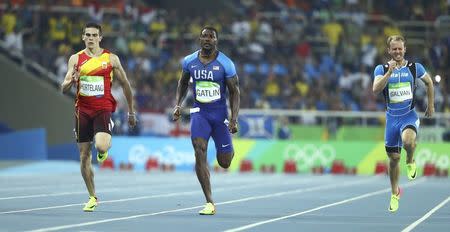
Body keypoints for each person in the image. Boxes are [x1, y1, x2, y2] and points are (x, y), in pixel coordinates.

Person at [61, 22, 136, 212]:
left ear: (100, 38)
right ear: (83, 37)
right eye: (88, 35)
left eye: (95, 35)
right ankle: (92, 196)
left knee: (101, 146)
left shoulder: (111, 59)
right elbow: (64, 88)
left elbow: (126, 85)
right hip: (82, 110)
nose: (91, 38)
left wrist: (131, 111)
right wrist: (72, 80)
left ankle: (103, 151)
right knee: (84, 155)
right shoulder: (75, 59)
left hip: (103, 108)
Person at [172, 26, 240, 215]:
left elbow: (235, 92)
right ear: (199, 39)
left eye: (211, 37)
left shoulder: (226, 64)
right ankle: (209, 201)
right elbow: (183, 83)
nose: (208, 39)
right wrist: (177, 105)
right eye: (204, 36)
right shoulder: (189, 61)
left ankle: (226, 148)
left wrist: (234, 119)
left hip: (219, 115)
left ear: (216, 40)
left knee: (225, 161)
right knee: (199, 150)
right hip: (199, 112)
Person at [372, 35, 434, 212]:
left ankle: (411, 159)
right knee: (393, 159)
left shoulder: (415, 67)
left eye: (400, 48)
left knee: (408, 142)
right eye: (394, 49)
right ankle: (394, 193)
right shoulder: (381, 69)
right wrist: (389, 73)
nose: (397, 52)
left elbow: (429, 83)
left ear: (405, 49)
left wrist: (431, 105)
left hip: (409, 115)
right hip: (392, 118)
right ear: (389, 51)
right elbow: (376, 89)